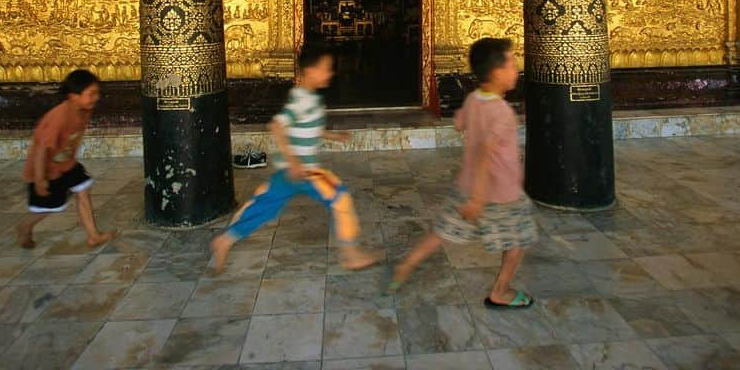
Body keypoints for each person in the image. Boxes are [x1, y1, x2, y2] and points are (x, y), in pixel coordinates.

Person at [387, 37, 538, 307]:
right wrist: (479, 198)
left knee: (441, 232)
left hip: (465, 186)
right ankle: (500, 291)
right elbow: (484, 154)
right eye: (512, 63)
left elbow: (459, 123)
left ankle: (405, 266)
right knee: (518, 240)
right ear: (496, 72)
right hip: (498, 194)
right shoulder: (502, 112)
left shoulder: (473, 99)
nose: (517, 69)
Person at [210, 43, 379, 273]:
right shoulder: (301, 98)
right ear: (310, 71)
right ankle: (350, 255)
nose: (331, 73)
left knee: (264, 208)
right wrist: (294, 161)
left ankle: (225, 241)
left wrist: (333, 135)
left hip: (290, 173)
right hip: (303, 171)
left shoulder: (309, 98)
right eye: (326, 68)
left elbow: (308, 128)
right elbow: (277, 126)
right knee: (341, 198)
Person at [16, 69, 116, 250]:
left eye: (97, 93)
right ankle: (26, 226)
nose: (96, 98)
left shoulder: (83, 110)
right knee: (50, 207)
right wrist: (40, 178)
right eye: (91, 94)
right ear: (73, 96)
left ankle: (93, 236)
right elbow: (41, 149)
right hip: (47, 168)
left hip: (66, 164)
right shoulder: (59, 117)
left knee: (83, 189)